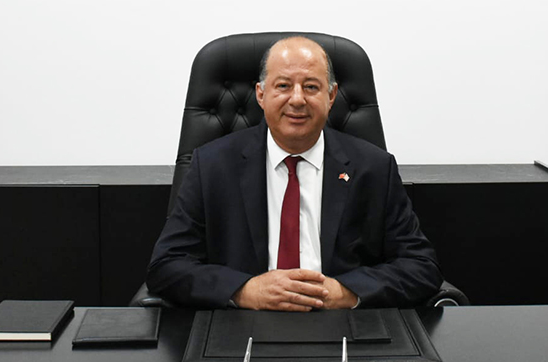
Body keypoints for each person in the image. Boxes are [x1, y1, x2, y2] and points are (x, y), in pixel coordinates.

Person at [146, 36, 442, 310]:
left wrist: (345, 292)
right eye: (284, 86)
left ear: (331, 95)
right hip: (242, 323)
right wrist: (246, 290)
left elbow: (421, 267)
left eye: (311, 87)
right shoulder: (212, 165)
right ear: (261, 94)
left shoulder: (374, 168)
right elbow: (166, 265)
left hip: (342, 322)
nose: (297, 99)